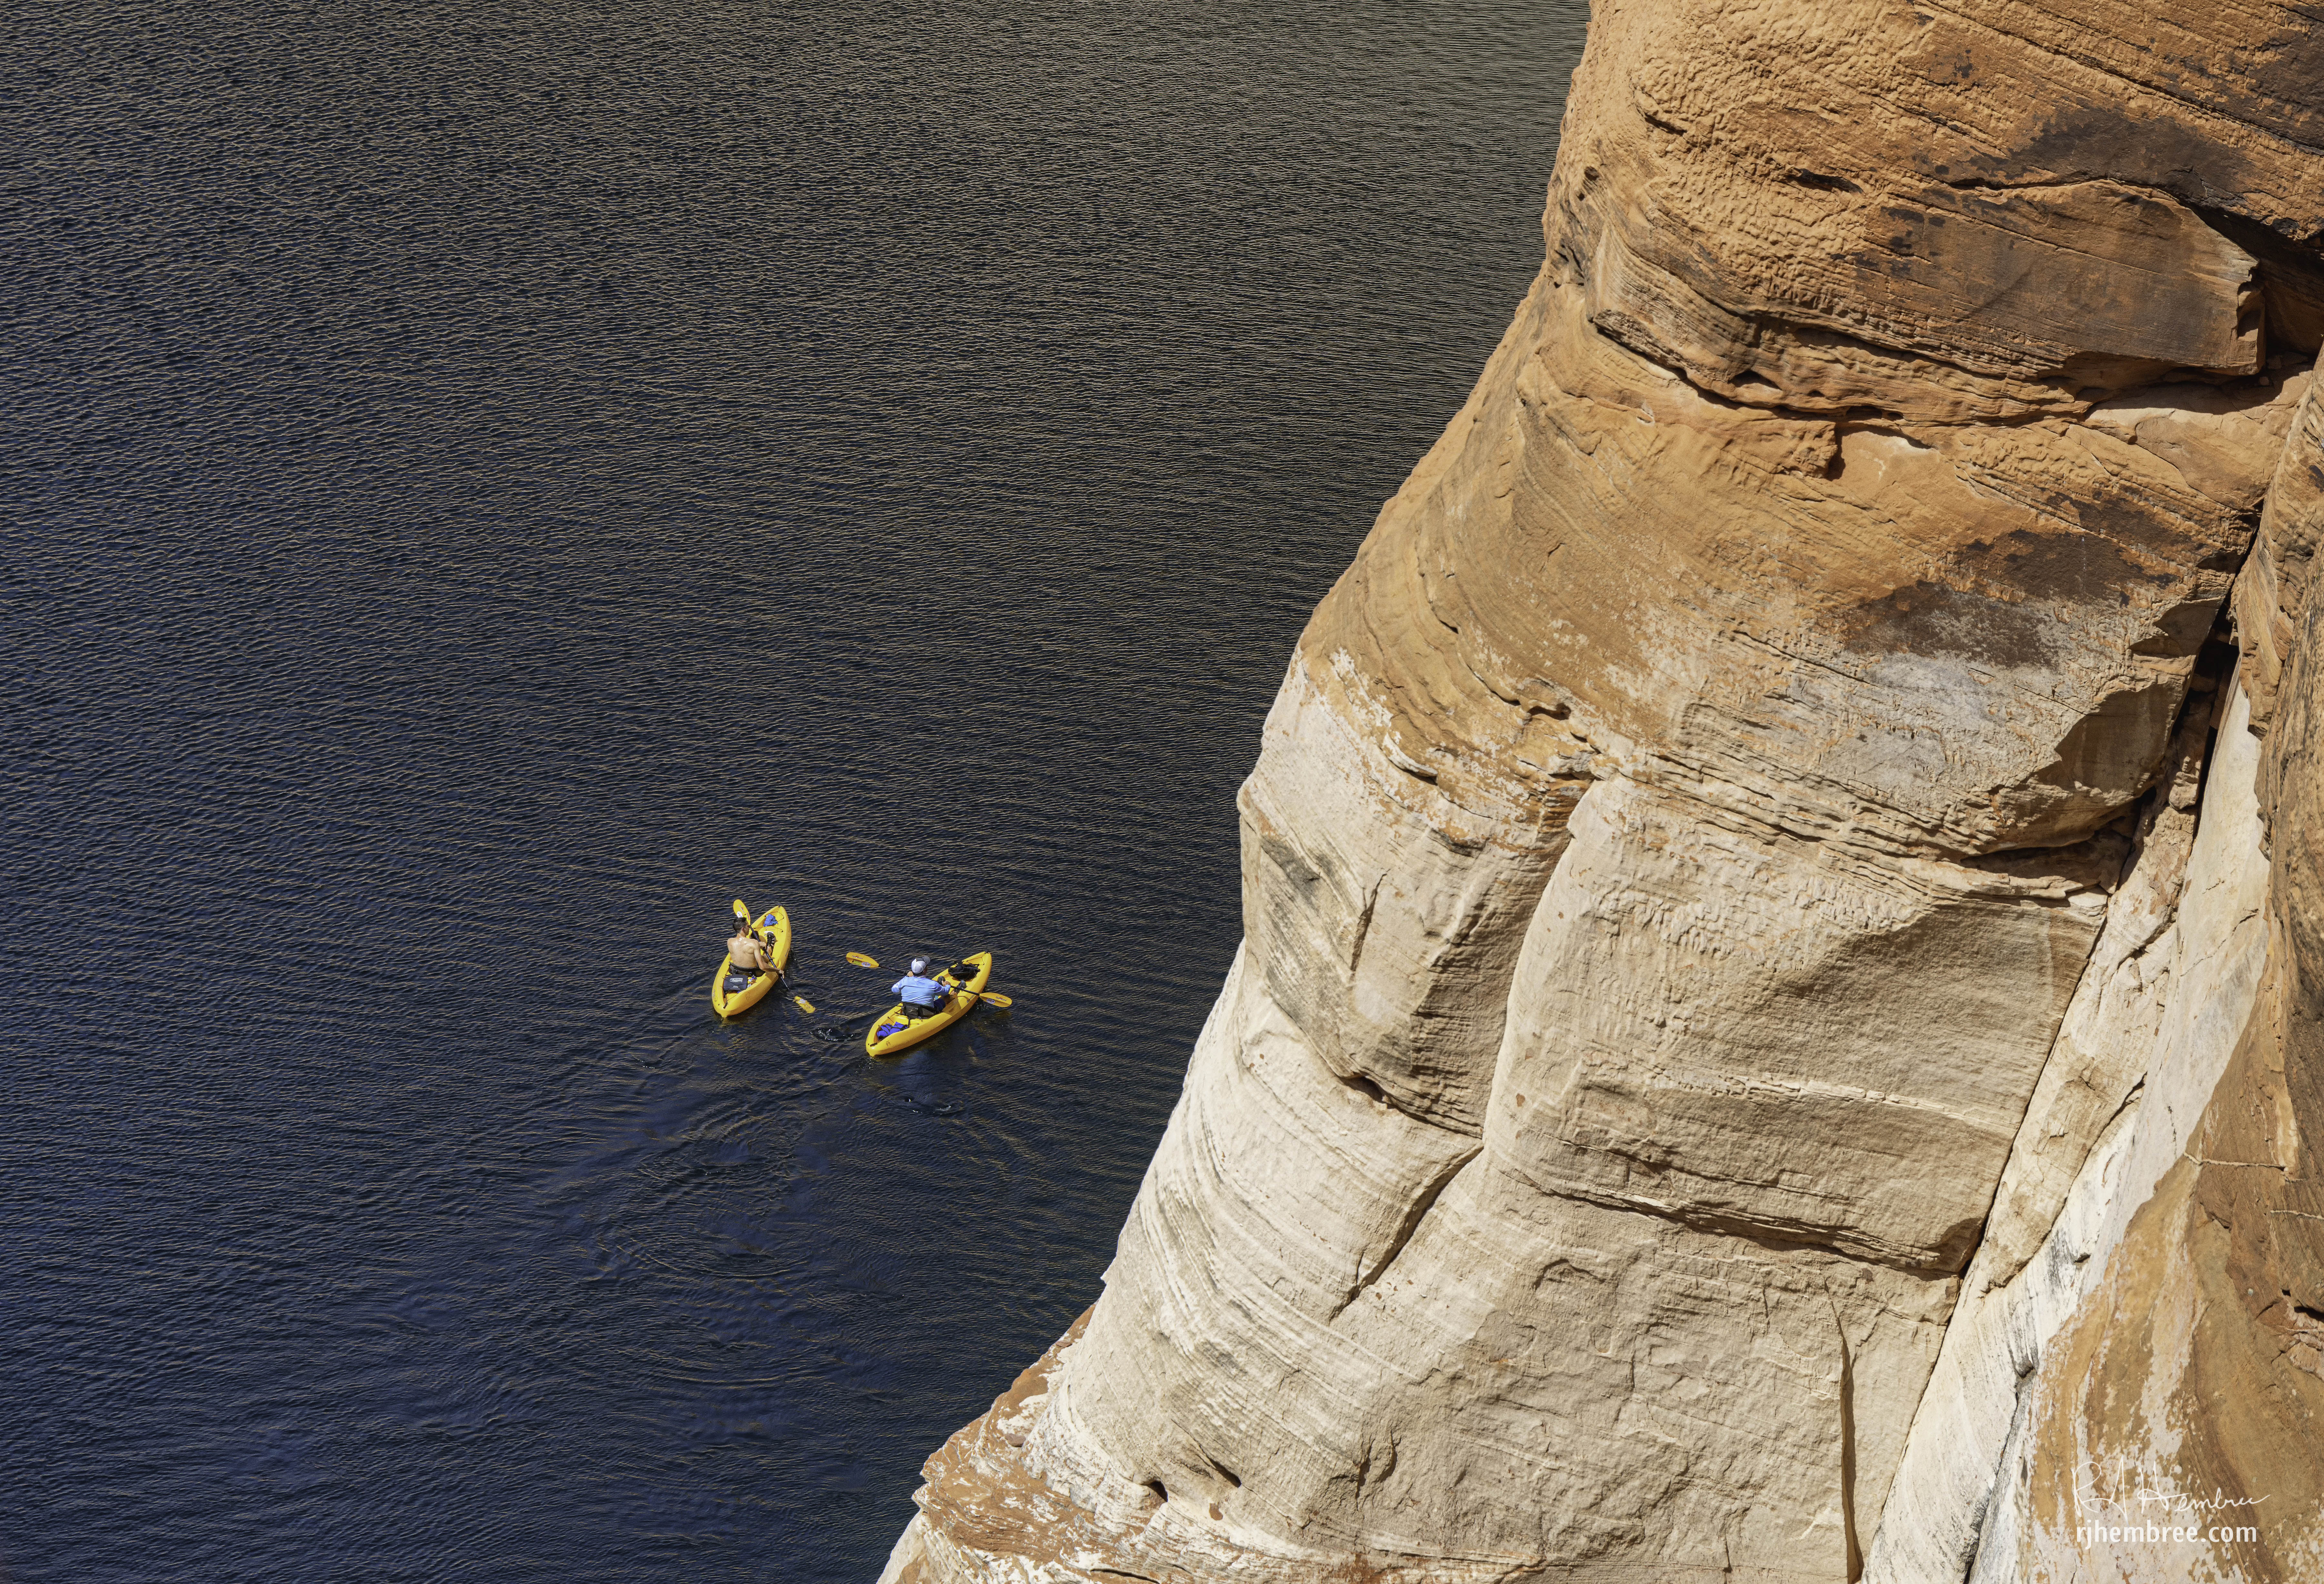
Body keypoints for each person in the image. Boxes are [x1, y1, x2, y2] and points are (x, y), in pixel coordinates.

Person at [892, 957, 954, 1021]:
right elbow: (946, 992)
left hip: (909, 1012)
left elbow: (894, 990)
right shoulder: (933, 984)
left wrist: (908, 977)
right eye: (927, 966)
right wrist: (947, 986)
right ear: (925, 971)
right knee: (946, 997)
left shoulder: (905, 981)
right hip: (928, 1013)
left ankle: (936, 995)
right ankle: (955, 993)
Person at [726, 916, 770, 985]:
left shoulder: (730, 942)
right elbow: (763, 967)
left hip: (738, 971)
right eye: (748, 926)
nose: (749, 927)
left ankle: (753, 944)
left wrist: (757, 944)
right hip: (753, 973)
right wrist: (778, 970)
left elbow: (742, 948)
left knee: (750, 952)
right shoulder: (754, 943)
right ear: (743, 929)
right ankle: (770, 947)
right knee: (764, 958)